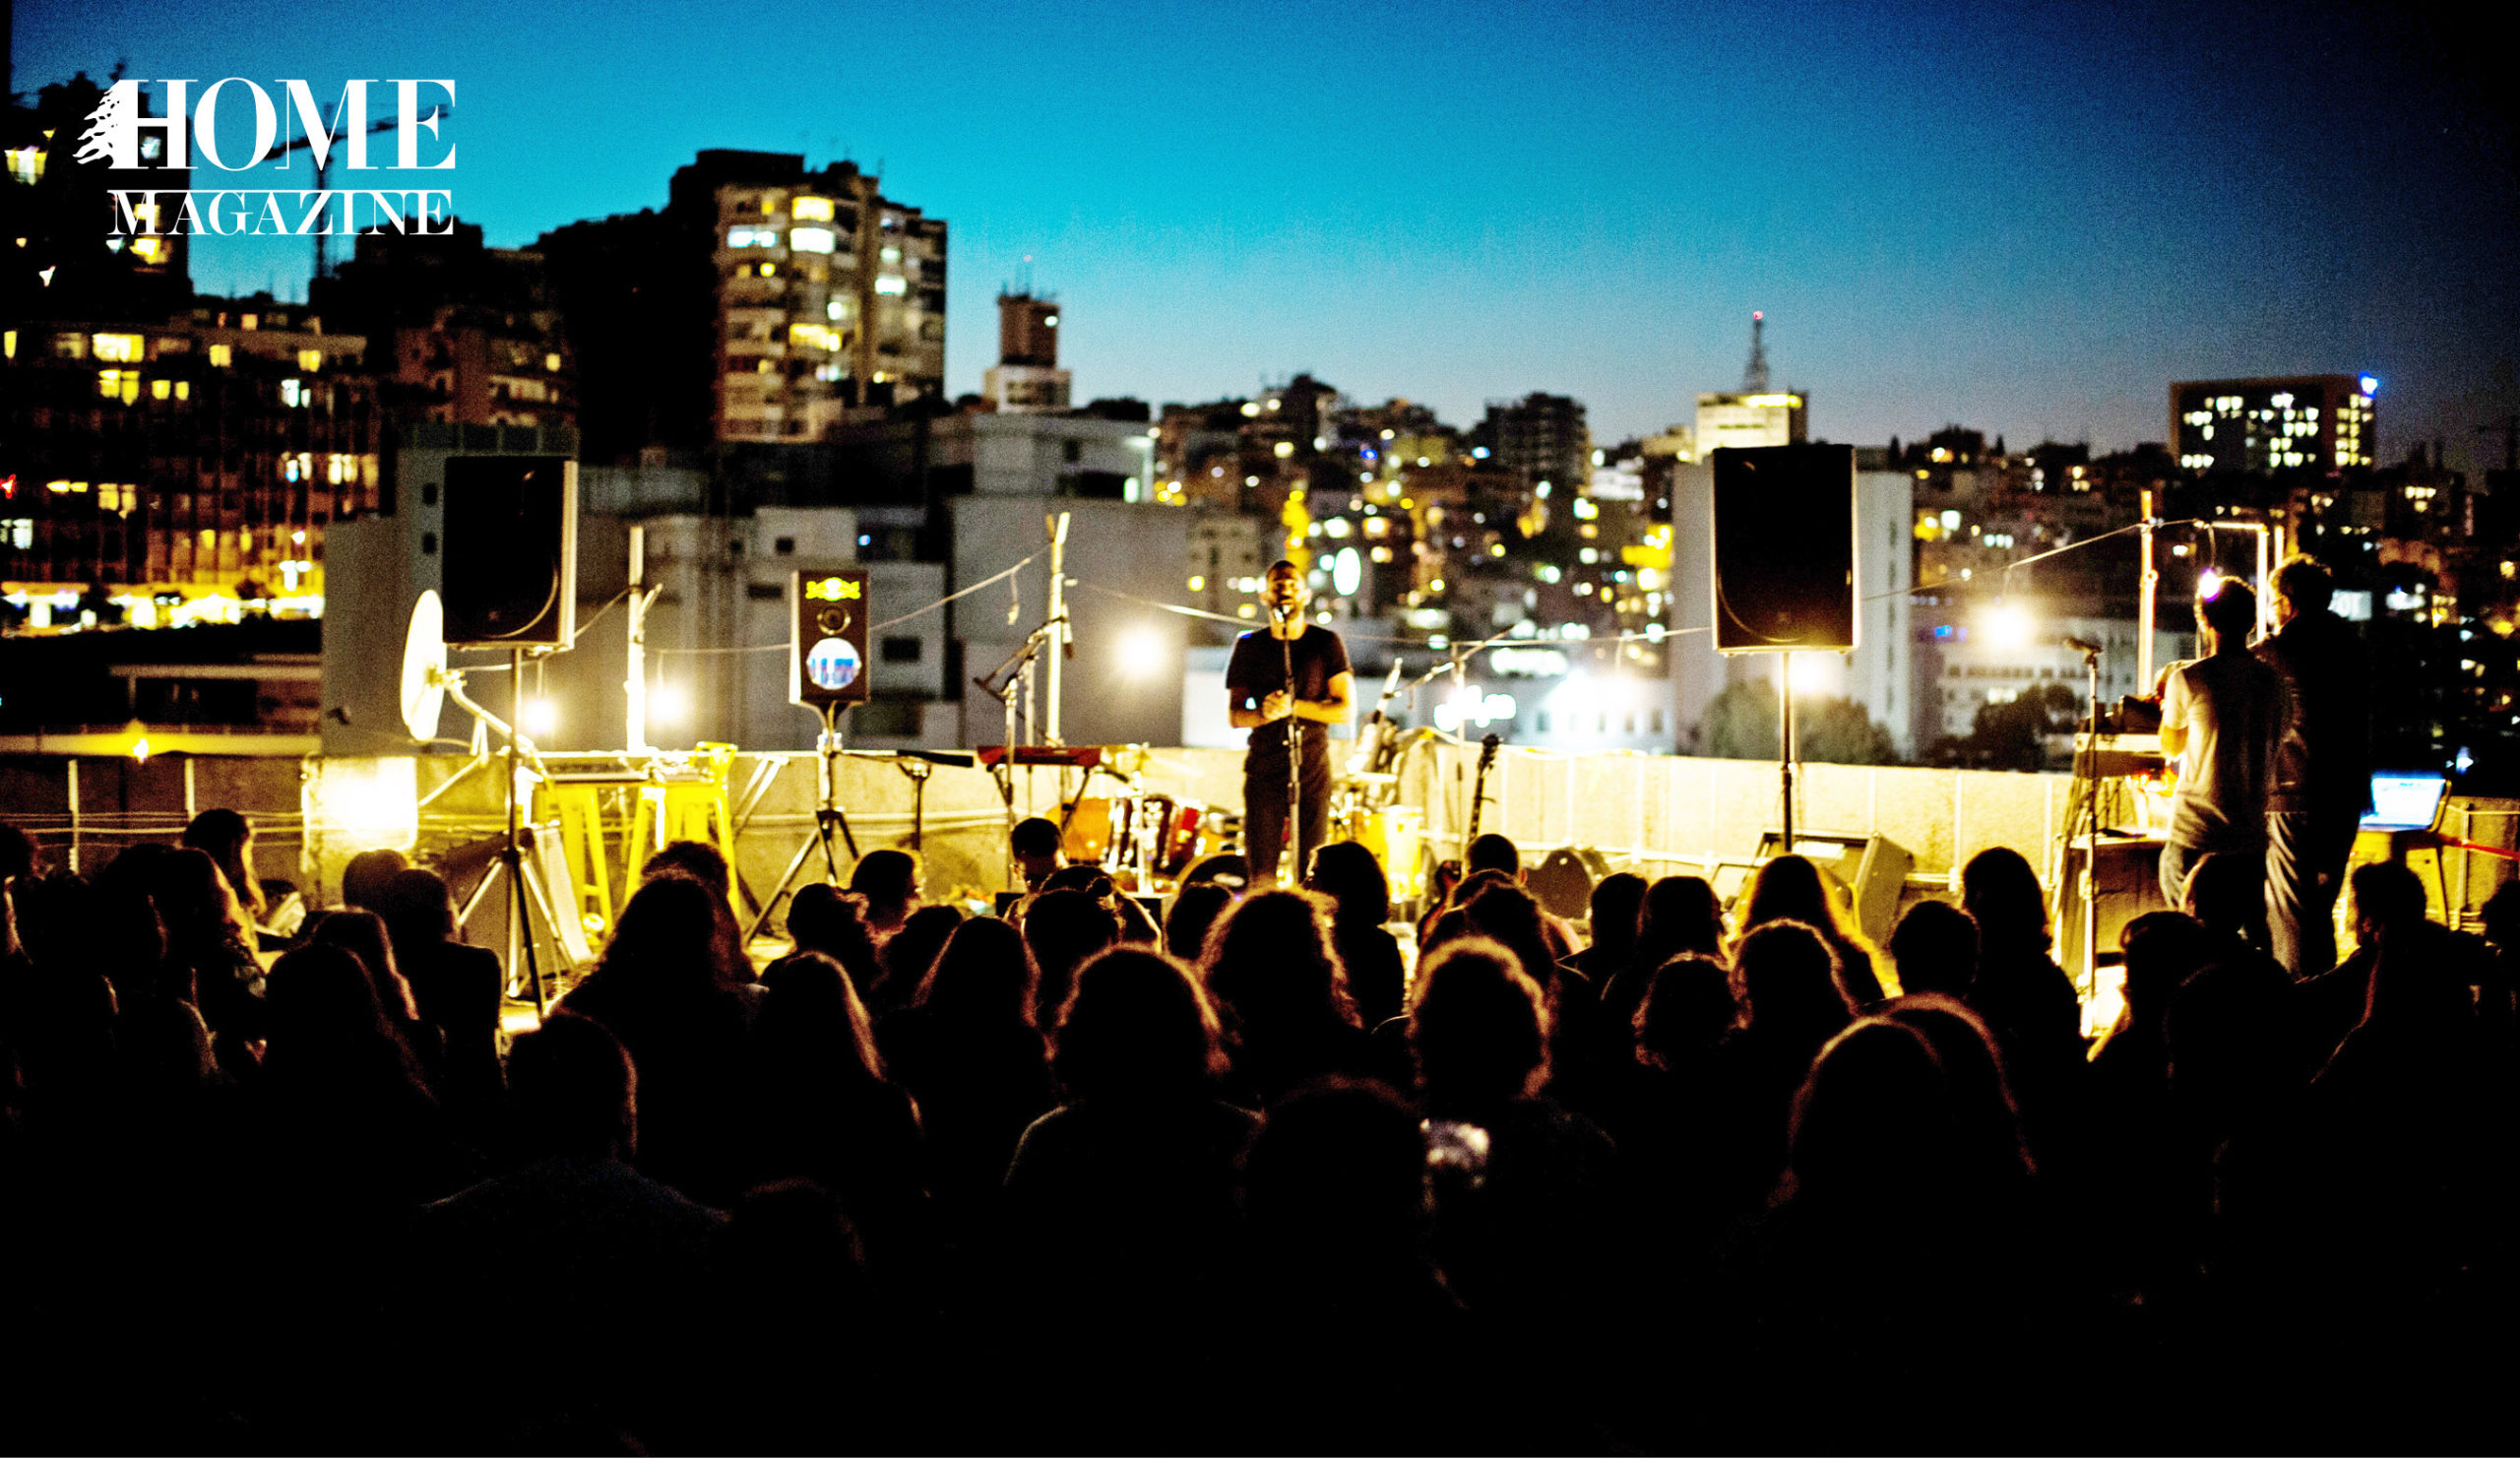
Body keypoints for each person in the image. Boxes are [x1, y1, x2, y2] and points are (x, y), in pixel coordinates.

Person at [2254, 555, 2372, 978]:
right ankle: (2323, 992)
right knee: (2321, 905)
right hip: (2346, 794)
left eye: (2273, 602)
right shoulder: (2353, 645)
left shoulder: (2278, 650)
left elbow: (2236, 675)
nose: (2271, 611)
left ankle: (2299, 999)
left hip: (2295, 790)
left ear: (2287, 602)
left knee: (2290, 910)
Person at [2158, 577, 2284, 928]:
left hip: (2196, 833)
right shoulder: (2273, 684)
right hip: (2251, 838)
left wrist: (2168, 710)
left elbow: (2170, 746)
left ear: (2205, 622)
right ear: (2251, 623)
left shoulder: (2188, 679)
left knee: (2187, 936)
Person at [1225, 559, 1352, 884]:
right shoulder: (1249, 645)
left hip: (1311, 770)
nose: (1285, 591)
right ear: (1265, 596)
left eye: (1293, 585)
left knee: (1311, 872)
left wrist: (1293, 707)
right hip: (1264, 772)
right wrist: (1265, 713)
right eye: (1277, 586)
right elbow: (1236, 714)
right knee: (1261, 872)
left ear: (1306, 595)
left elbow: (1344, 710)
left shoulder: (1326, 644)